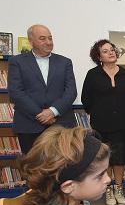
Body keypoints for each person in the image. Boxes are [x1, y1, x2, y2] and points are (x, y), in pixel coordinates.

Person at [7, 24, 77, 154]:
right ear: (31, 41)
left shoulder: (65, 62)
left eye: (50, 38)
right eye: (43, 38)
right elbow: (16, 92)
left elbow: (71, 91)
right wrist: (40, 114)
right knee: (33, 168)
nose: (48, 42)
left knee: (63, 167)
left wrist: (52, 111)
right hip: (29, 124)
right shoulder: (17, 62)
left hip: (61, 124)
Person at [81, 39, 125, 205]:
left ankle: (119, 188)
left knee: (120, 158)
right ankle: (108, 189)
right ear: (99, 56)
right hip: (101, 125)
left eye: (112, 49)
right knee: (106, 159)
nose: (111, 52)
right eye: (106, 51)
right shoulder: (92, 75)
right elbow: (86, 100)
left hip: (122, 123)